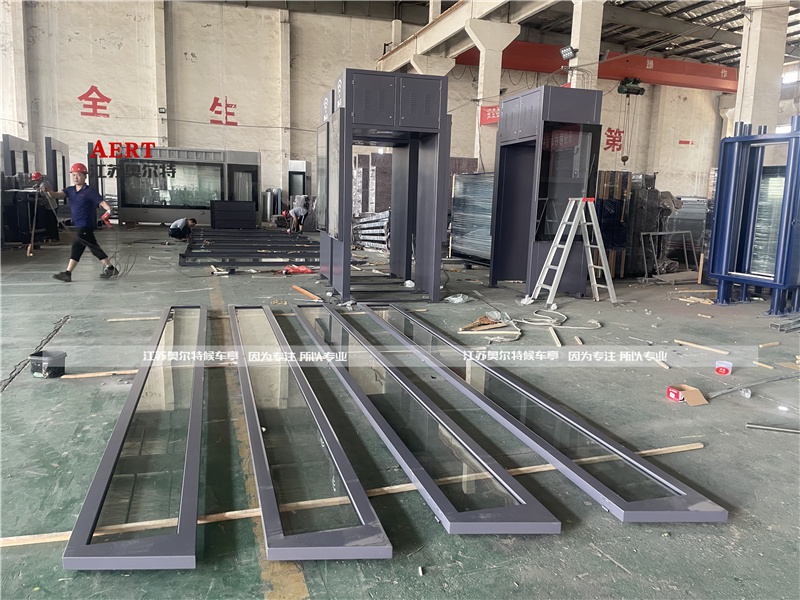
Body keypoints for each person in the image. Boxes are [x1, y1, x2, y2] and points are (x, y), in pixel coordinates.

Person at [44, 163, 117, 282]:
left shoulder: (89, 191)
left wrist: (109, 210)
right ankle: (111, 268)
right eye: (74, 175)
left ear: (85, 176)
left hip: (86, 224)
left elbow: (101, 202)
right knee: (91, 247)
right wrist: (48, 191)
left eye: (79, 175)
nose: (76, 177)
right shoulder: (70, 190)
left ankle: (68, 273)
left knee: (77, 247)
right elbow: (55, 195)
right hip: (78, 224)